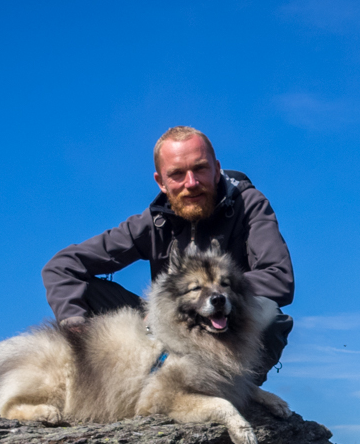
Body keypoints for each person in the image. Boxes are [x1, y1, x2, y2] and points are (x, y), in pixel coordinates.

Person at [42, 126, 294, 382]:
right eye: (177, 174)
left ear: (217, 169)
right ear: (161, 182)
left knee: (269, 315)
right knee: (84, 290)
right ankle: (122, 379)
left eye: (200, 169)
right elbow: (62, 267)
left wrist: (217, 292)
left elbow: (279, 277)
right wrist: (76, 329)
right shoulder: (153, 222)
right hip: (167, 330)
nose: (191, 183)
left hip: (227, 331)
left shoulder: (249, 204)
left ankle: (239, 387)